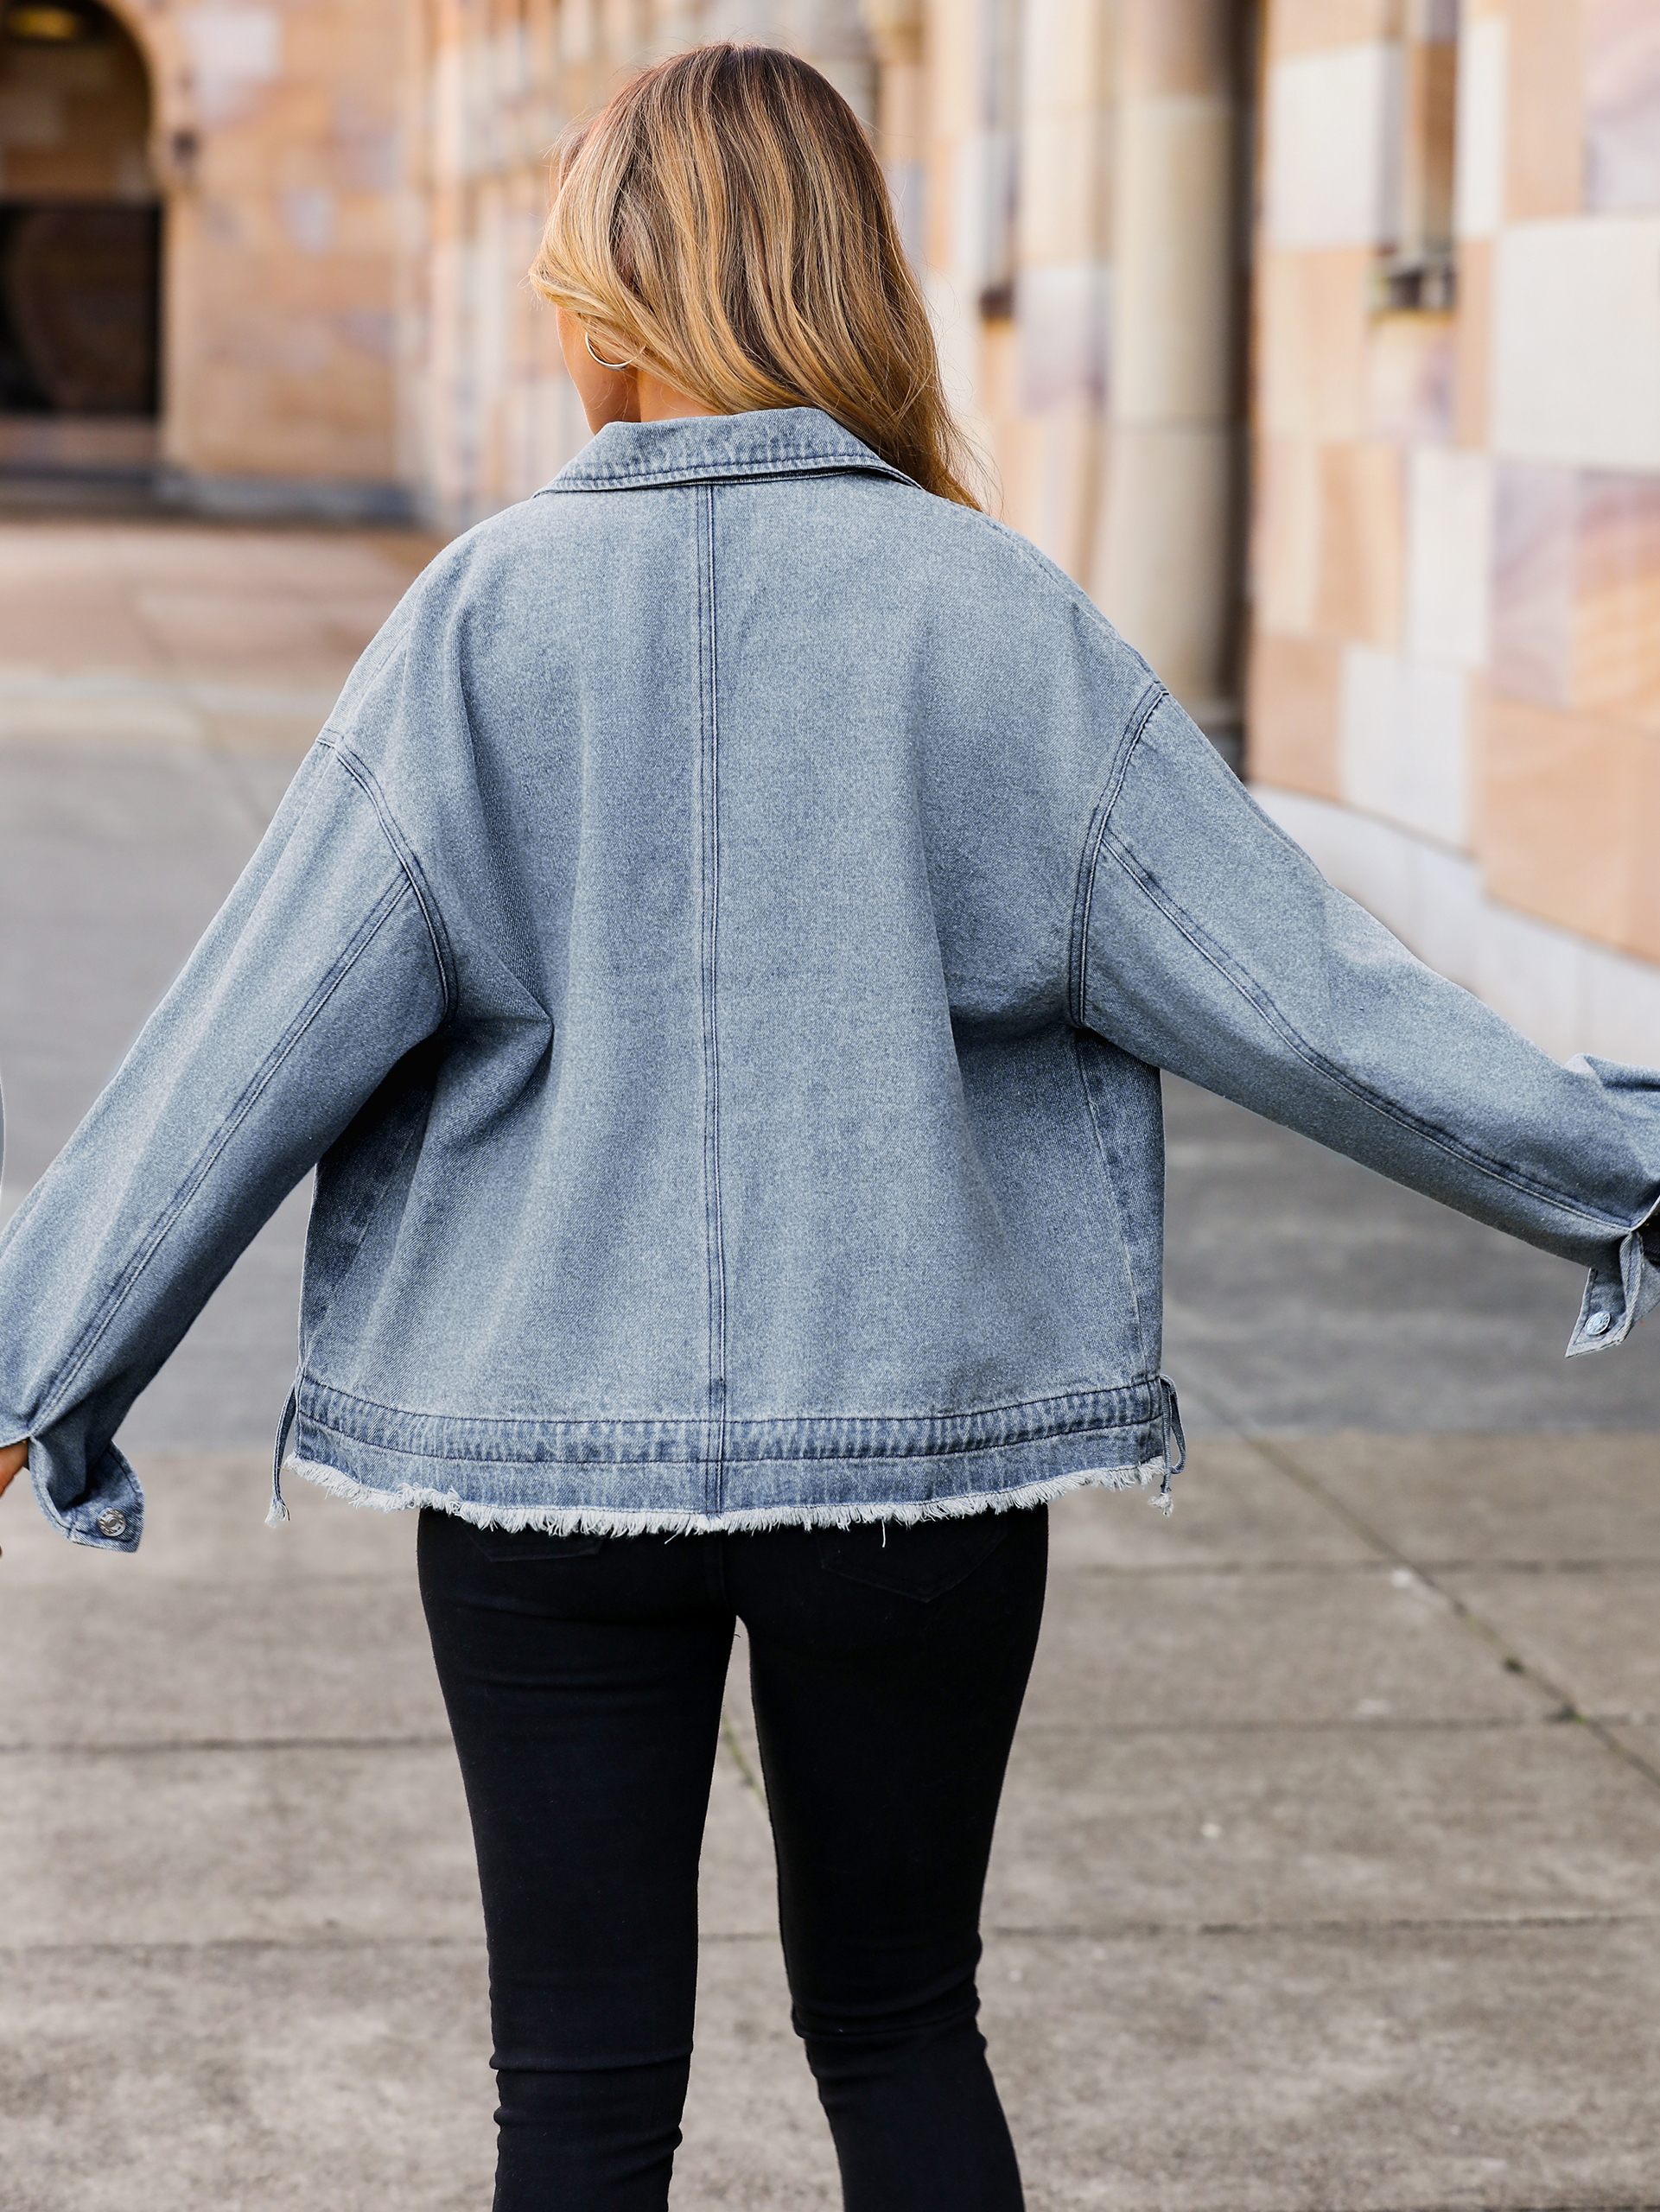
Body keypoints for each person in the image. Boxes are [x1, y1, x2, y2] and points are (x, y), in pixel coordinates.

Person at [1, 38, 1657, 2212]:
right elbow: (1304, 994)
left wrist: (36, 1358)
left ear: (618, 298)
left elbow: (247, 1039)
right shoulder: (992, 613)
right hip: (917, 1449)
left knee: (574, 2100)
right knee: (898, 2026)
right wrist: (1610, 1161)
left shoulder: (477, 624)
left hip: (540, 1452)